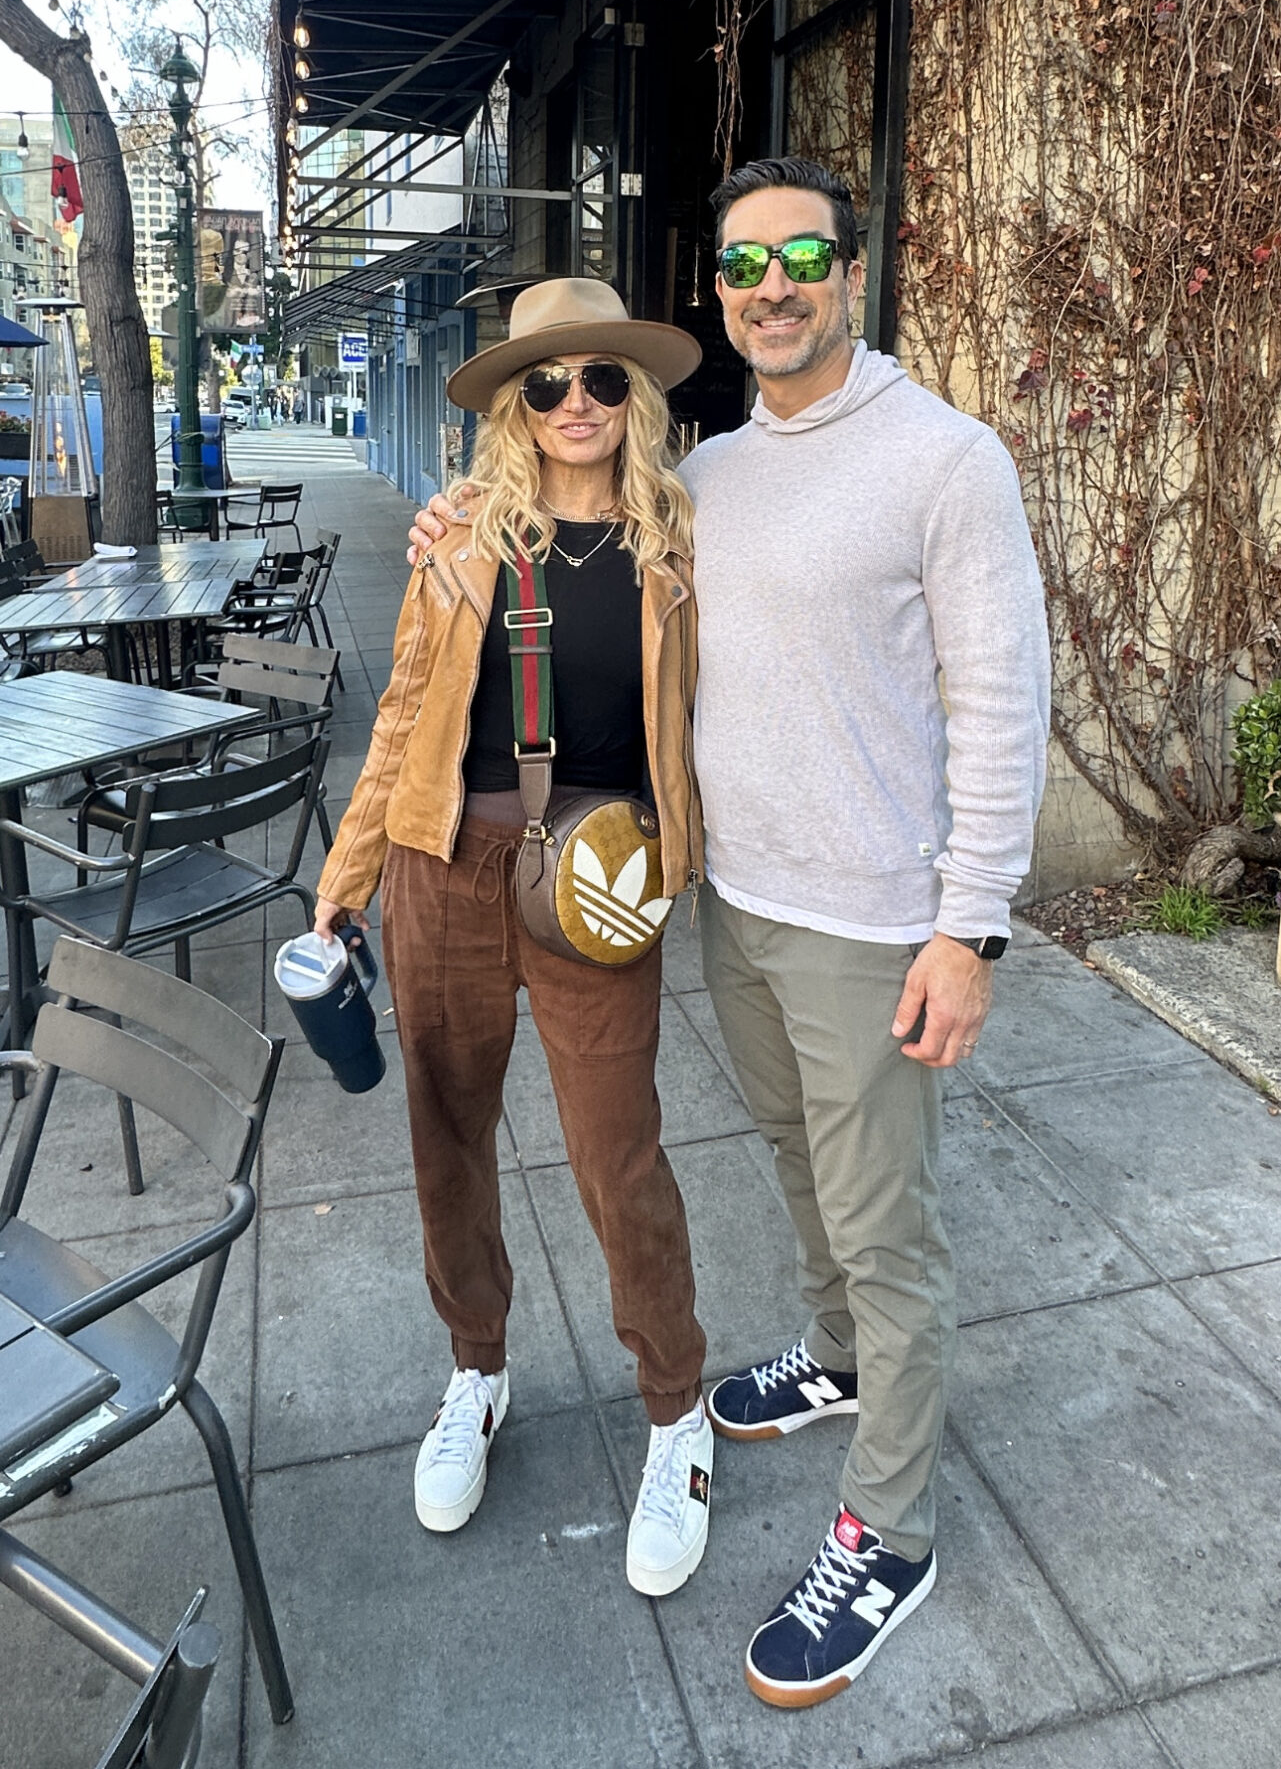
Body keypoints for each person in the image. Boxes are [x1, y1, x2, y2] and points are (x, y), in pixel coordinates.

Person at [412, 159, 1050, 1710]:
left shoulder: (944, 460)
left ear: (851, 267)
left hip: (874, 916)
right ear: (717, 295)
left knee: (886, 1225)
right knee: (791, 1163)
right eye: (746, 265)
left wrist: (969, 926)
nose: (774, 286)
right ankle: (827, 1359)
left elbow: (1001, 696)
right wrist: (459, 526)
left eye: (803, 257)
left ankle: (887, 1533)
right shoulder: (706, 482)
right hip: (732, 905)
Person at [315, 275, 716, 1599]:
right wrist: (350, 872)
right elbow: (401, 719)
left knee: (618, 1156)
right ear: (517, 402)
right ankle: (474, 1374)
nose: (577, 403)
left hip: (599, 881)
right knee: (447, 1141)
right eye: (548, 382)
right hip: (447, 868)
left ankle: (675, 1413)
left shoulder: (680, 545)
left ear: (635, 392)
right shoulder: (462, 540)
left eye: (602, 377)